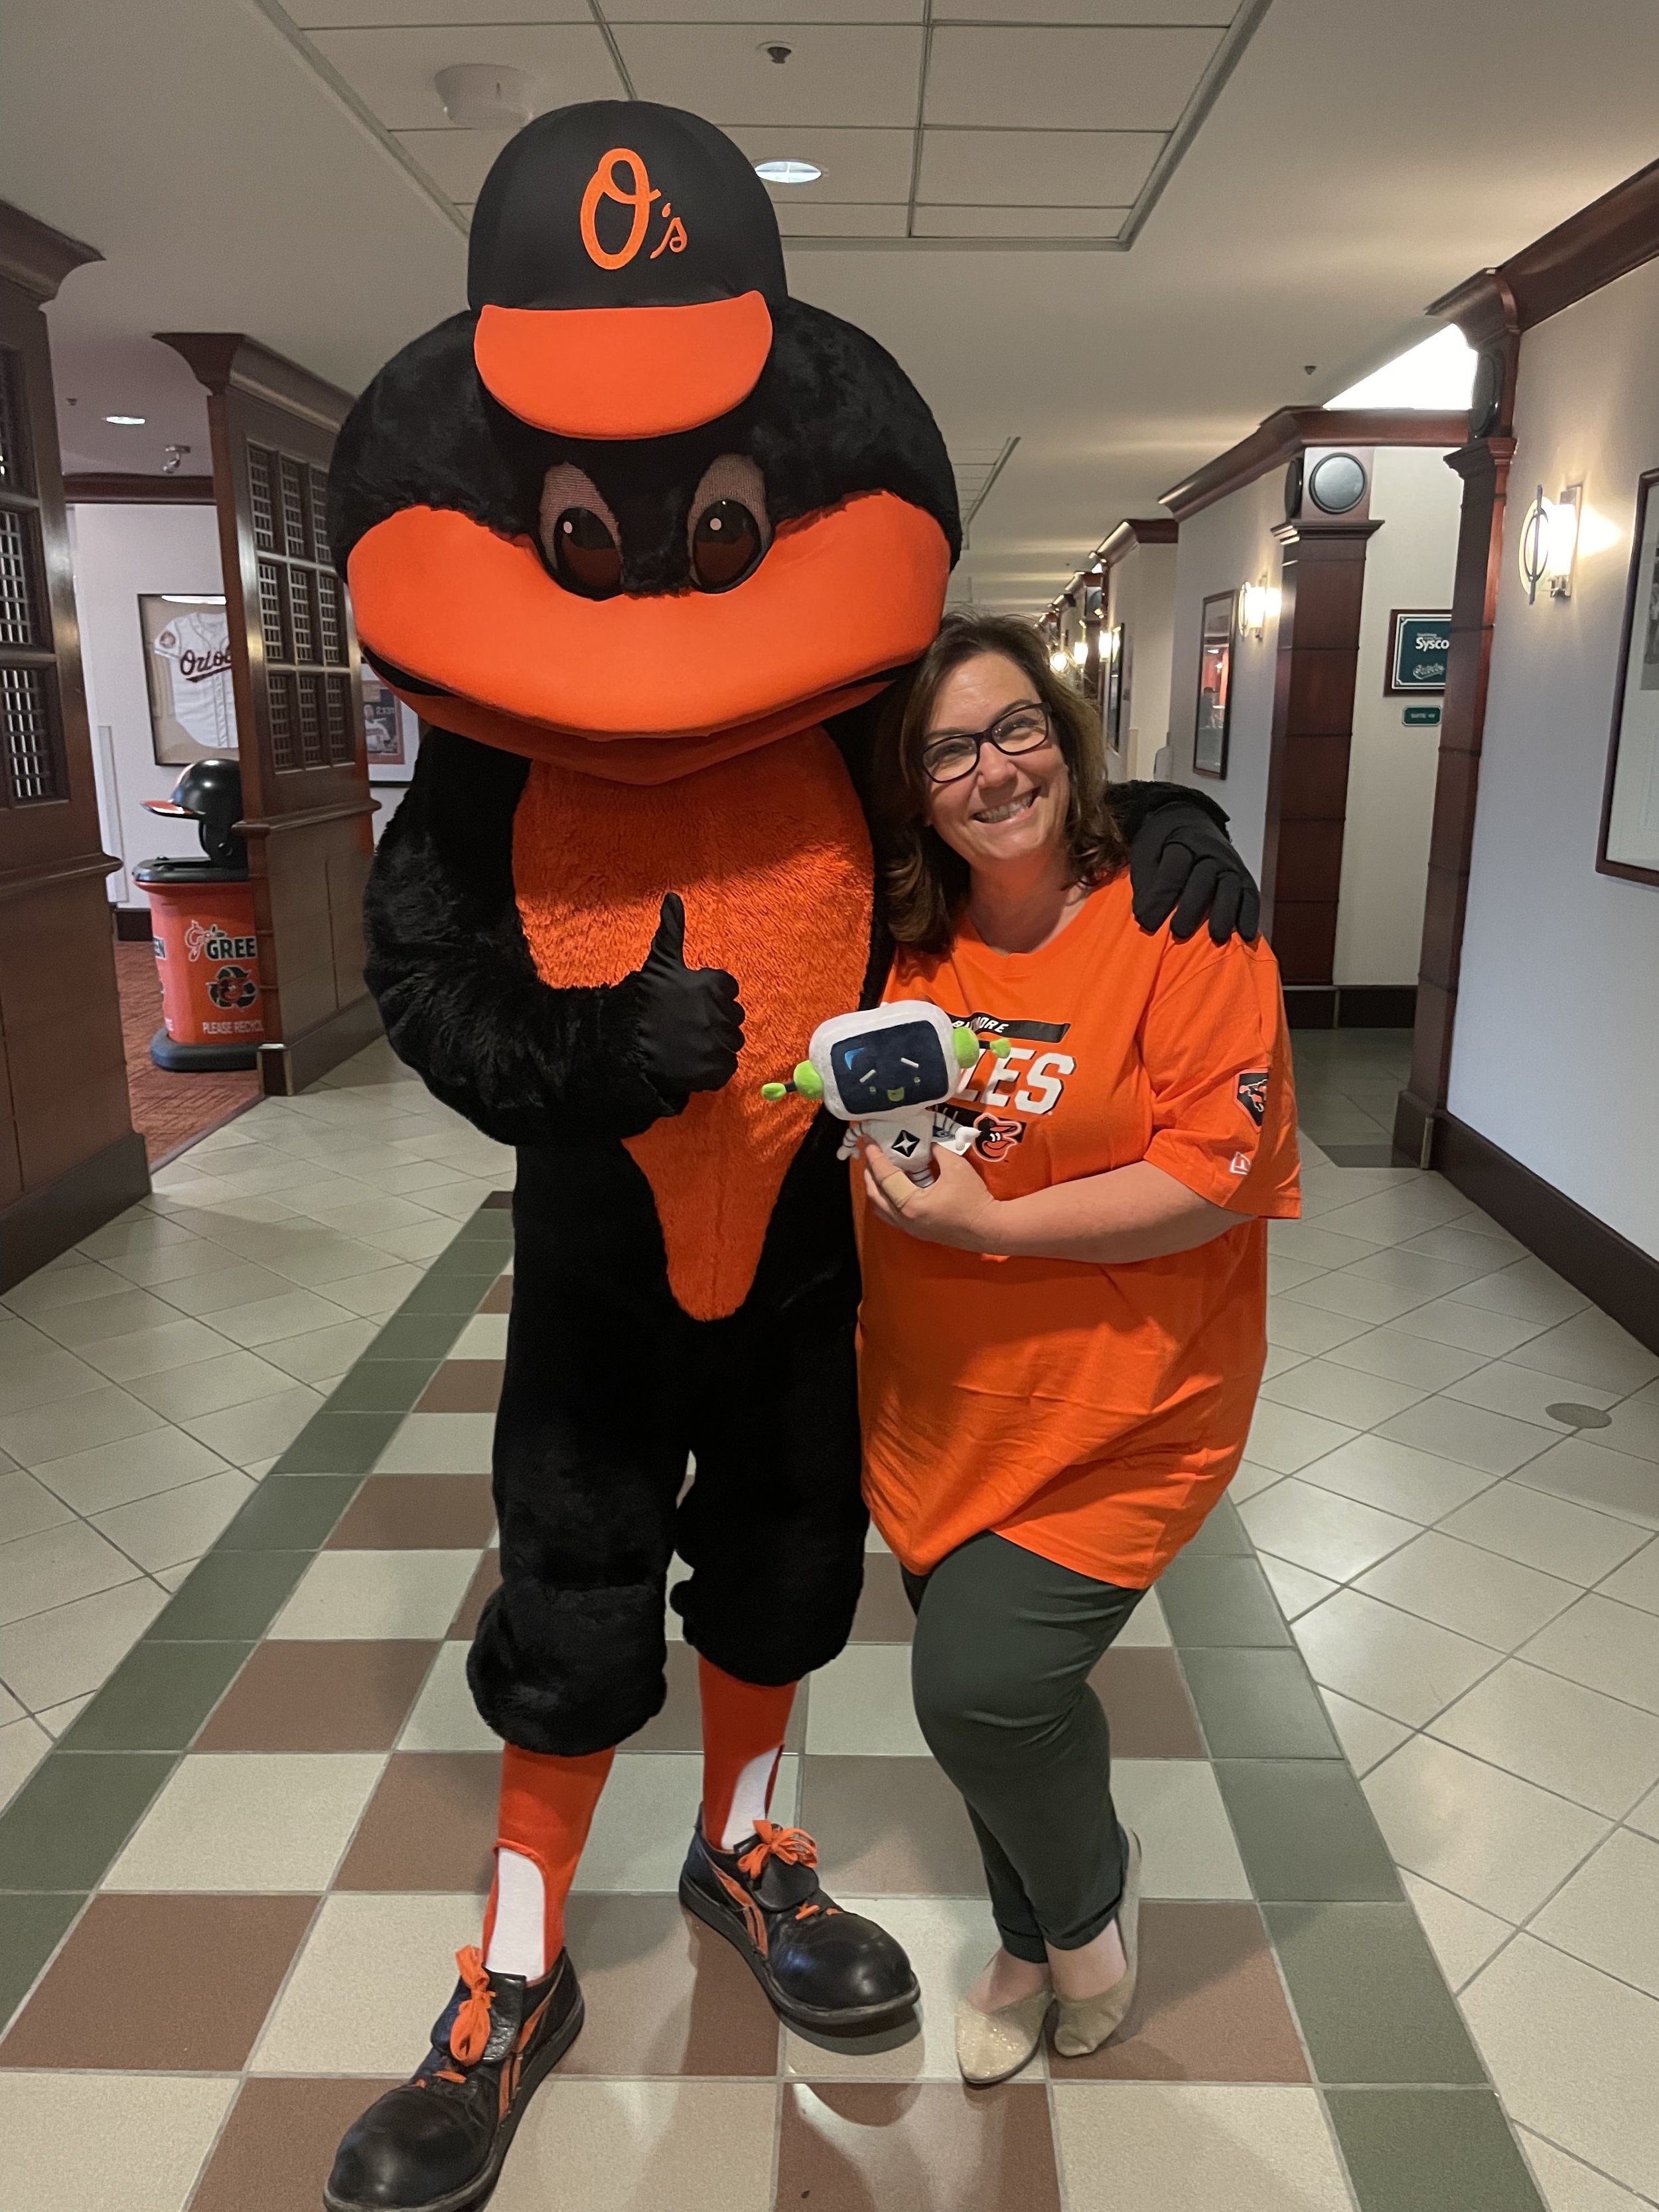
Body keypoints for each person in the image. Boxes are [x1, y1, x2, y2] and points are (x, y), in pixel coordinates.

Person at [322, 102, 1260, 2212]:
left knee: (774, 1561)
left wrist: (1168, 822)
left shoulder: (858, 725)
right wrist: (585, 1051)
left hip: (816, 1264)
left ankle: (746, 1842)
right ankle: (513, 1968)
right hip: (596, 1258)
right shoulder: (477, 776)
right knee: (568, 1596)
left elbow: (1001, 790)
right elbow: (430, 994)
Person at [855, 612, 1299, 2085]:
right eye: (947, 750)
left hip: (1126, 1410)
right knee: (999, 1706)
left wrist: (994, 1225)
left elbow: (1215, 1169)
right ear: (907, 789)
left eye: (1016, 727)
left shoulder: (1182, 921)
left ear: (1067, 729)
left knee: (976, 1688)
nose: (992, 769)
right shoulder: (898, 929)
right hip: (933, 1409)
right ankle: (1028, 1933)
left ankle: (1087, 1914)